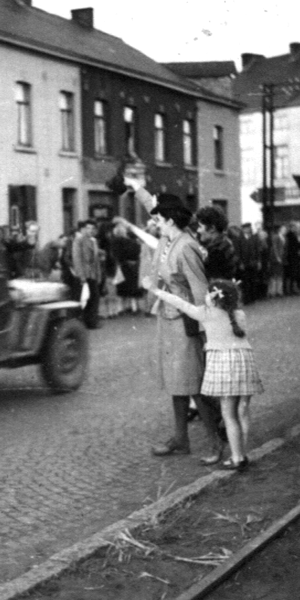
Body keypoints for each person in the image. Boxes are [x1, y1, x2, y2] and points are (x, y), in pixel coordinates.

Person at [122, 177, 223, 463]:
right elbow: (150, 203)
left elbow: (200, 291)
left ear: (169, 220)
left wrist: (207, 331)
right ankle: (181, 439)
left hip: (185, 323)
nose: (154, 222)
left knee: (194, 383)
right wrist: (135, 186)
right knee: (176, 382)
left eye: (159, 219)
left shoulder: (186, 246)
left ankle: (216, 442)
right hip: (168, 319)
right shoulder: (170, 237)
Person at [149, 279, 264, 470]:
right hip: (245, 364)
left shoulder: (206, 314)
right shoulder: (240, 315)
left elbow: (180, 303)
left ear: (211, 298)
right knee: (242, 411)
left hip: (223, 366)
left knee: (229, 415)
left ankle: (237, 458)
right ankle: (243, 453)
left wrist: (154, 290)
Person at [72, 219, 102, 329]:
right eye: (87, 228)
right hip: (84, 274)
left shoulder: (93, 241)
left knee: (94, 297)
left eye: (92, 228)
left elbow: (96, 260)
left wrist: (98, 274)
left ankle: (91, 321)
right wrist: (81, 276)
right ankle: (84, 322)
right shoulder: (78, 240)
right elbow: (77, 259)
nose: (90, 230)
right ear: (83, 229)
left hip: (92, 273)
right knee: (83, 298)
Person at [194, 206, 237, 281]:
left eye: (200, 227)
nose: (198, 230)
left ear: (212, 229)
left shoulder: (217, 251)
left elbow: (212, 282)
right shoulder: (225, 244)